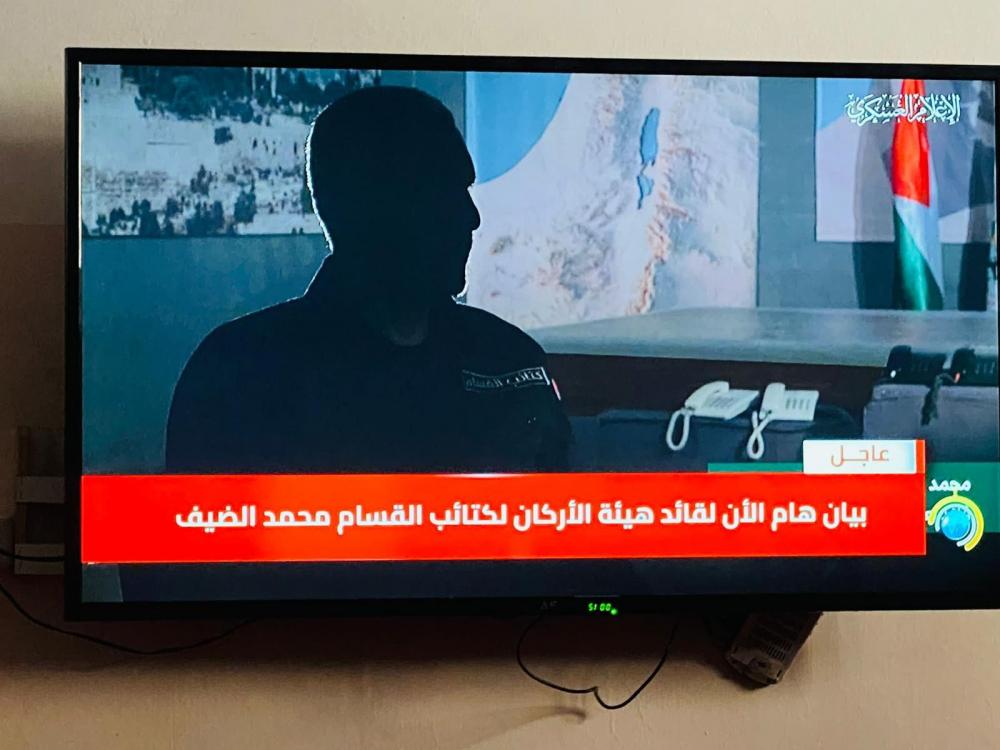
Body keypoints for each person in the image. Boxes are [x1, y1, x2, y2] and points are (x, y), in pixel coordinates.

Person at [165, 86, 570, 473]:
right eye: (443, 194)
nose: (472, 218)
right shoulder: (240, 375)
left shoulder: (512, 359)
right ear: (365, 206)